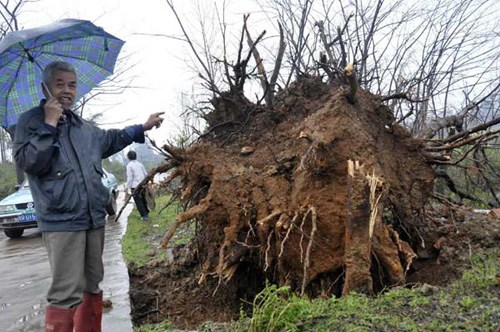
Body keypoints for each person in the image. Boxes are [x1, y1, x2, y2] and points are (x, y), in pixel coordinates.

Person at [13, 61, 164, 332]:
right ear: (45, 87)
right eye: (60, 84)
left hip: (92, 219)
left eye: (72, 84)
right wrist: (49, 123)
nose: (67, 90)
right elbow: (30, 162)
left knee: (92, 284)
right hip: (61, 220)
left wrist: (143, 126)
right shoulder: (30, 122)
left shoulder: (83, 127)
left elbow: (111, 139)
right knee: (65, 291)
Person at [126, 150, 149, 220]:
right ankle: (146, 212)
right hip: (142, 184)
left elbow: (130, 177)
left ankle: (144, 216)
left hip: (135, 186)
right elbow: (145, 174)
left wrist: (127, 187)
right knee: (143, 198)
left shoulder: (129, 166)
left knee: (138, 201)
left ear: (128, 157)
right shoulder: (140, 164)